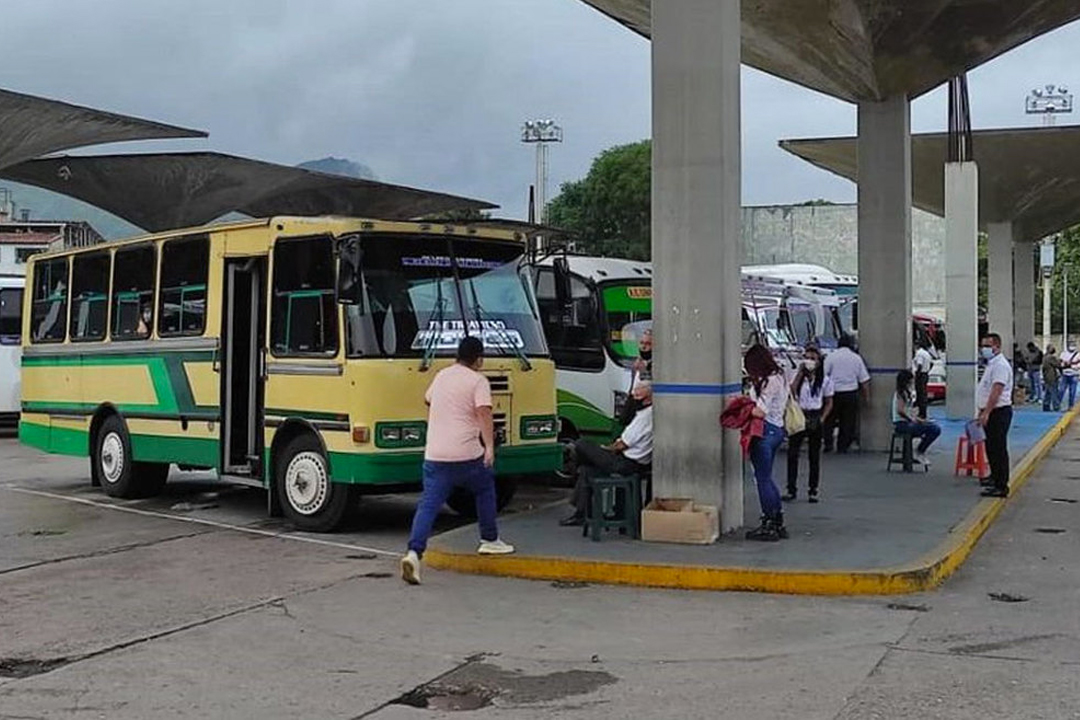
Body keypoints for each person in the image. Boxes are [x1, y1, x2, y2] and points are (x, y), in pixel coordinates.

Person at [401, 336, 514, 585]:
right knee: (485, 488)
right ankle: (489, 539)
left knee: (428, 505)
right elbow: (484, 412)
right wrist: (490, 448)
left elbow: (428, 399)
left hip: (435, 454)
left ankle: (413, 553)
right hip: (466, 454)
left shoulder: (442, 376)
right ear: (479, 359)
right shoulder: (478, 381)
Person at [560, 382, 653, 526]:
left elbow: (623, 444)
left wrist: (606, 450)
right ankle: (581, 513)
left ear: (648, 397)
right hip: (628, 459)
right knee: (586, 470)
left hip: (627, 462)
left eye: (637, 393)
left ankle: (576, 465)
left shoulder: (646, 417)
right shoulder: (642, 414)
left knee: (581, 444)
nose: (632, 396)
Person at [744, 344, 788, 541]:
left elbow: (760, 411)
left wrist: (742, 406)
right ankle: (777, 519)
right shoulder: (779, 377)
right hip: (777, 429)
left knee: (762, 479)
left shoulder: (769, 382)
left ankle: (768, 521)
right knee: (767, 478)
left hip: (764, 431)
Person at [785, 345, 833, 503]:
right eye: (807, 358)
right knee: (793, 454)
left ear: (819, 362)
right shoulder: (800, 378)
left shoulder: (825, 381)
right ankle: (791, 489)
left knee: (814, 456)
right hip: (799, 415)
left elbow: (828, 402)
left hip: (815, 415)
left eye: (812, 359)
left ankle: (813, 490)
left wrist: (822, 419)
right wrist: (800, 373)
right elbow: (791, 391)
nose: (809, 361)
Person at [977, 333, 1013, 498]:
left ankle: (1001, 485)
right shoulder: (991, 364)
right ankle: (994, 477)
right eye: (983, 345)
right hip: (991, 411)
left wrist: (987, 412)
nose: (984, 349)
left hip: (998, 412)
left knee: (998, 448)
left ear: (997, 347)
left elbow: (996, 391)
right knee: (990, 447)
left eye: (987, 346)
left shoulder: (1000, 365)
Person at [823, 334, 870, 453]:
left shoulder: (831, 357)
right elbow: (864, 380)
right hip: (850, 393)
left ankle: (828, 444)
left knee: (829, 420)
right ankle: (842, 446)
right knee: (847, 422)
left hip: (833, 393)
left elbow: (824, 375)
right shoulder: (856, 358)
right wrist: (866, 397)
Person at [892, 369, 942, 466]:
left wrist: (921, 420)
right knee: (933, 429)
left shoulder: (907, 393)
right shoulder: (901, 393)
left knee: (934, 428)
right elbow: (900, 411)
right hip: (901, 424)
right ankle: (919, 451)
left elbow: (909, 412)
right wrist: (913, 420)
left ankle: (920, 451)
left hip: (907, 422)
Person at [912, 339, 934, 420]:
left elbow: (919, 365)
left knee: (920, 394)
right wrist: (927, 370)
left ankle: (922, 413)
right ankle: (923, 412)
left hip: (921, 375)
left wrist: (917, 375)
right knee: (923, 393)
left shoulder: (919, 353)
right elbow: (932, 363)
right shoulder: (926, 353)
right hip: (925, 374)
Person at [1060, 340, 1080, 408]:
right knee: (1061, 390)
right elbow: (1061, 363)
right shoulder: (1063, 354)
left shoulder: (1078, 354)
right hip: (1065, 374)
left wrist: (1071, 366)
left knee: (1072, 392)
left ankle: (1070, 406)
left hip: (1074, 374)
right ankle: (1058, 404)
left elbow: (1078, 365)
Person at [1042, 345, 1062, 412]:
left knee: (1048, 392)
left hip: (1046, 376)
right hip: (1052, 376)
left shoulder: (1044, 357)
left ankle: (1046, 406)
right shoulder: (1051, 357)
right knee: (1054, 392)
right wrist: (1060, 361)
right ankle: (1056, 406)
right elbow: (1057, 364)